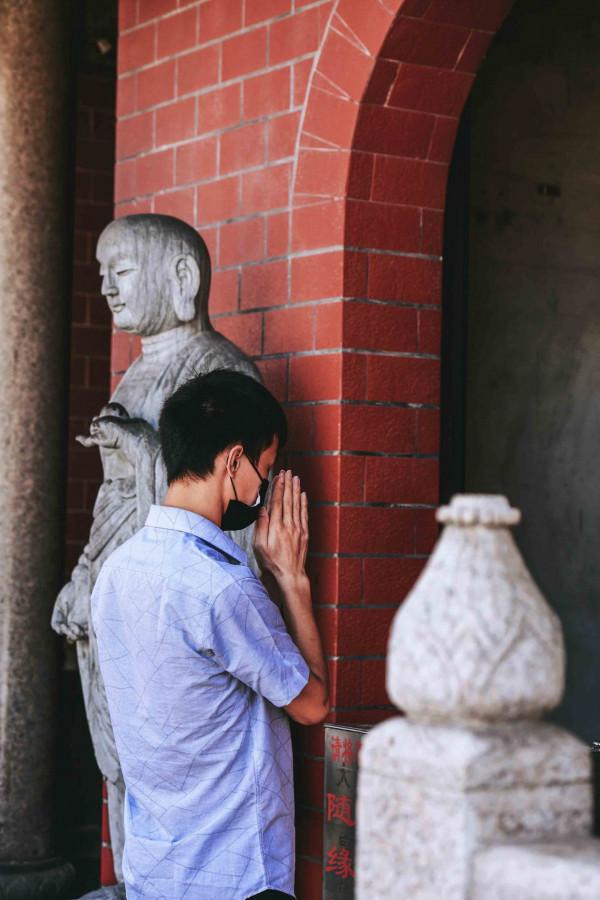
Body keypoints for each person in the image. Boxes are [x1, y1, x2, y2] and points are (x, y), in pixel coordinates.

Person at [90, 368, 330, 900]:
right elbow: (313, 704)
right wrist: (292, 578)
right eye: (266, 471)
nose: (264, 492)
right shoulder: (222, 587)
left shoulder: (116, 571)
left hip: (155, 868)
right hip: (235, 876)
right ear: (235, 461)